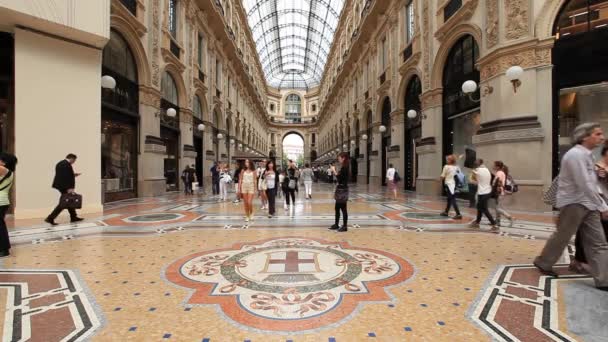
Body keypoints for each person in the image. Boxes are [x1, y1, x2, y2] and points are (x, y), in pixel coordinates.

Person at [535, 123, 608, 291]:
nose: (601, 137)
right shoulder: (575, 155)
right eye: (597, 134)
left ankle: (604, 279)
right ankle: (544, 262)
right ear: (584, 137)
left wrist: (598, 202)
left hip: (589, 203)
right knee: (562, 236)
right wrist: (603, 206)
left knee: (599, 242)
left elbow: (590, 182)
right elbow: (584, 183)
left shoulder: (587, 155)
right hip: (573, 203)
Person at [570, 145, 608, 274]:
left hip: (602, 205)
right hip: (594, 204)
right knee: (586, 233)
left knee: (601, 237)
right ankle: (580, 261)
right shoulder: (595, 167)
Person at [45, 154, 83, 226]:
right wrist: (69, 188)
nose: (74, 162)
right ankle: (50, 218)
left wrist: (73, 175)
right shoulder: (66, 164)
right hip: (64, 187)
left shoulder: (61, 163)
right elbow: (65, 177)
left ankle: (73, 217)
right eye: (74, 160)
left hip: (61, 186)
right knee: (63, 203)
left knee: (69, 200)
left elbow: (64, 175)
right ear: (72, 158)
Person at [469, 159, 498, 230]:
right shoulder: (486, 169)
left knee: (484, 209)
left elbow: (471, 181)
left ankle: (494, 224)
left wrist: (471, 172)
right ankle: (477, 222)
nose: (475, 163)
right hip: (486, 191)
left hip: (483, 192)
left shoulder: (477, 170)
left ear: (477, 164)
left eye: (475, 163)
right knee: (479, 207)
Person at [0, 153, 17, 258]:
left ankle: (4, 249)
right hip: (2, 201)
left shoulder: (4, 170)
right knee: (1, 226)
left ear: (4, 162)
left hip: (0, 201)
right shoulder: (7, 172)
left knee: (0, 226)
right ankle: (4, 248)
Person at [329, 152, 350, 232]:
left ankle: (345, 226)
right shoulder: (344, 167)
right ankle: (336, 224)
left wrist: (334, 171)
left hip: (342, 190)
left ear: (343, 158)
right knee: (337, 208)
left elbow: (339, 178)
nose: (338, 159)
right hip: (341, 189)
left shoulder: (345, 167)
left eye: (339, 158)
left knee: (343, 208)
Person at [492, 161, 515, 227]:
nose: (493, 166)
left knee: (497, 208)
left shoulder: (499, 173)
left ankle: (510, 218)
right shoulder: (501, 173)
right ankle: (497, 222)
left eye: (494, 165)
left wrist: (494, 188)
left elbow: (498, 183)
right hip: (500, 192)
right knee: (497, 207)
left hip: (498, 192)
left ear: (498, 167)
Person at [440, 155, 462, 220]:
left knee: (452, 199)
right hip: (455, 185)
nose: (446, 160)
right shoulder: (457, 167)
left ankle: (458, 214)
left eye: (447, 159)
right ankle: (446, 212)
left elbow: (443, 176)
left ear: (449, 160)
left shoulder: (446, 167)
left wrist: (440, 179)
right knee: (449, 198)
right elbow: (460, 175)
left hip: (449, 184)